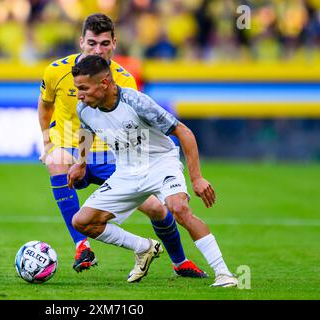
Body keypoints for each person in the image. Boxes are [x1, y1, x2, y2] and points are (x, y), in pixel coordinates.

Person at [38, 13, 206, 278]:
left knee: (156, 209)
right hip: (73, 150)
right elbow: (46, 104)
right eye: (92, 43)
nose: (98, 49)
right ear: (81, 41)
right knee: (55, 160)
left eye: (105, 43)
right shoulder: (56, 71)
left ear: (114, 43)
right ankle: (82, 245)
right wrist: (47, 141)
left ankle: (179, 261)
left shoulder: (124, 80)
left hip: (112, 156)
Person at [67, 55, 238, 287]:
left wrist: (196, 178)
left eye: (83, 88)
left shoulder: (136, 102)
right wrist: (81, 163)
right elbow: (87, 132)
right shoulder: (84, 109)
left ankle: (224, 274)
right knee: (82, 221)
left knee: (179, 208)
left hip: (160, 163)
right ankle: (144, 248)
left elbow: (184, 132)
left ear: (104, 83)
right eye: (77, 89)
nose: (79, 95)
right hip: (126, 171)